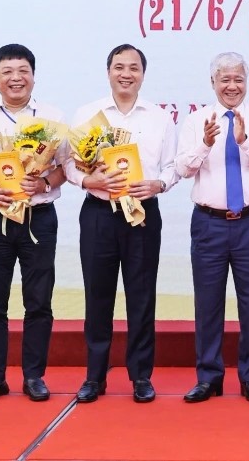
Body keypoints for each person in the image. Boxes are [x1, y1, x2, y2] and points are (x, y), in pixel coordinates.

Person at [66, 44, 178, 404]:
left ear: (143, 74)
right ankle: (94, 377)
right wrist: (89, 180)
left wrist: (159, 183)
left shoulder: (160, 117)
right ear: (108, 72)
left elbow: (173, 165)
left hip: (142, 214)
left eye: (133, 67)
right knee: (97, 295)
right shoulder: (88, 115)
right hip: (99, 213)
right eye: (119, 67)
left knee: (141, 297)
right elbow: (68, 164)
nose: (126, 73)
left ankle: (141, 376)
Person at [0, 44, 66, 403]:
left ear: (33, 76)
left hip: (38, 220)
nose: (16, 78)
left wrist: (44, 183)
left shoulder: (52, 118)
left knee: (39, 301)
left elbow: (67, 167)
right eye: (7, 72)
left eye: (23, 71)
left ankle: (34, 376)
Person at [175, 52, 249, 404]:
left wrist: (244, 139)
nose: (232, 86)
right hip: (209, 223)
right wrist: (205, 144)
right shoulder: (196, 120)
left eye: (238, 79)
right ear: (213, 83)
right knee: (208, 302)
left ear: (246, 82)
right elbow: (183, 169)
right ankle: (209, 377)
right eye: (225, 80)